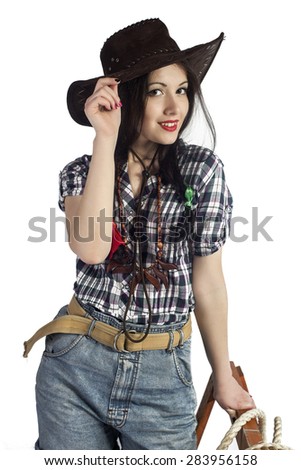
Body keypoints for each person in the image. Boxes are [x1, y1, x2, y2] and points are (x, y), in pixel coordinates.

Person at [24, 18, 255, 450]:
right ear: (128, 98)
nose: (174, 108)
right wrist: (104, 138)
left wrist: (221, 375)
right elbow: (92, 248)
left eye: (182, 90)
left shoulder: (200, 172)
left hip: (162, 377)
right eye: (155, 91)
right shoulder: (81, 173)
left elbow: (208, 281)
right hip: (75, 367)